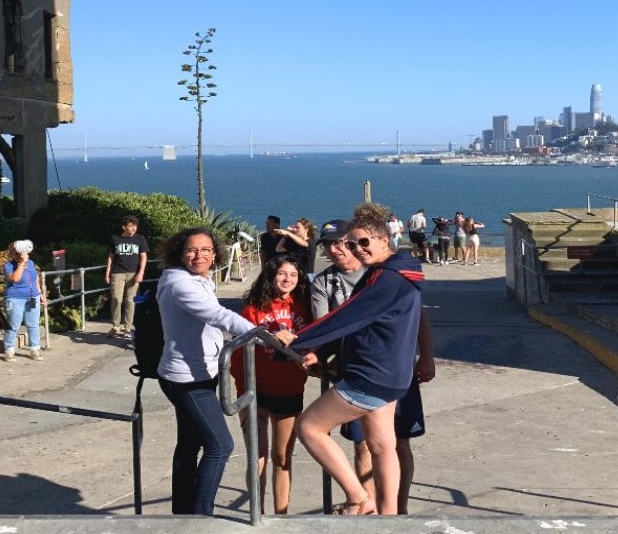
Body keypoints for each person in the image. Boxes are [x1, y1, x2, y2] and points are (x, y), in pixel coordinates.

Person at [291, 206, 424, 516]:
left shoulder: (388, 278)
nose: (357, 249)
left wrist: (298, 340)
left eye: (364, 242)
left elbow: (348, 315)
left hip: (371, 374)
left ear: (384, 239)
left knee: (309, 427)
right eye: (352, 244)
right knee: (382, 446)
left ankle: (359, 498)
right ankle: (388, 517)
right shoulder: (395, 272)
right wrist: (319, 349)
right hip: (392, 375)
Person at [156, 227, 294, 515]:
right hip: (187, 379)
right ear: (180, 253)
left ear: (215, 253)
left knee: (189, 445)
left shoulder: (199, 280)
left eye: (206, 250)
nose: (199, 256)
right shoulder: (180, 285)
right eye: (192, 250)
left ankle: (182, 514)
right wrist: (265, 334)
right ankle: (201, 516)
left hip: (200, 373)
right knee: (220, 446)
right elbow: (218, 315)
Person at [228, 256, 310, 514]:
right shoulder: (253, 308)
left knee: (283, 457)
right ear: (271, 275)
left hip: (290, 389)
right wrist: (243, 389)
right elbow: (238, 351)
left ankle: (281, 515)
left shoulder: (303, 305)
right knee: (258, 456)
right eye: (282, 274)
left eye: (293, 275)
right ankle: (258, 513)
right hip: (256, 389)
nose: (287, 279)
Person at [105, 215, 149, 340]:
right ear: (124, 227)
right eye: (130, 226)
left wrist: (141, 273)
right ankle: (115, 326)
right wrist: (107, 272)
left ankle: (128, 328)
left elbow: (143, 257)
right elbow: (111, 257)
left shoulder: (140, 239)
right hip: (117, 273)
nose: (133, 228)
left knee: (130, 301)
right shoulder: (115, 239)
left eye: (135, 226)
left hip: (133, 273)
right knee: (116, 299)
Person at [2, 239, 43, 362]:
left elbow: (35, 279)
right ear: (11, 254)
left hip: (32, 297)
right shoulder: (8, 266)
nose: (19, 255)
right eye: (16, 253)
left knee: (33, 324)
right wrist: (21, 264)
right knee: (13, 324)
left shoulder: (31, 263)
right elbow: (15, 279)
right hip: (15, 298)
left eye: (21, 253)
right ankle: (9, 350)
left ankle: (35, 349)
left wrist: (40, 294)